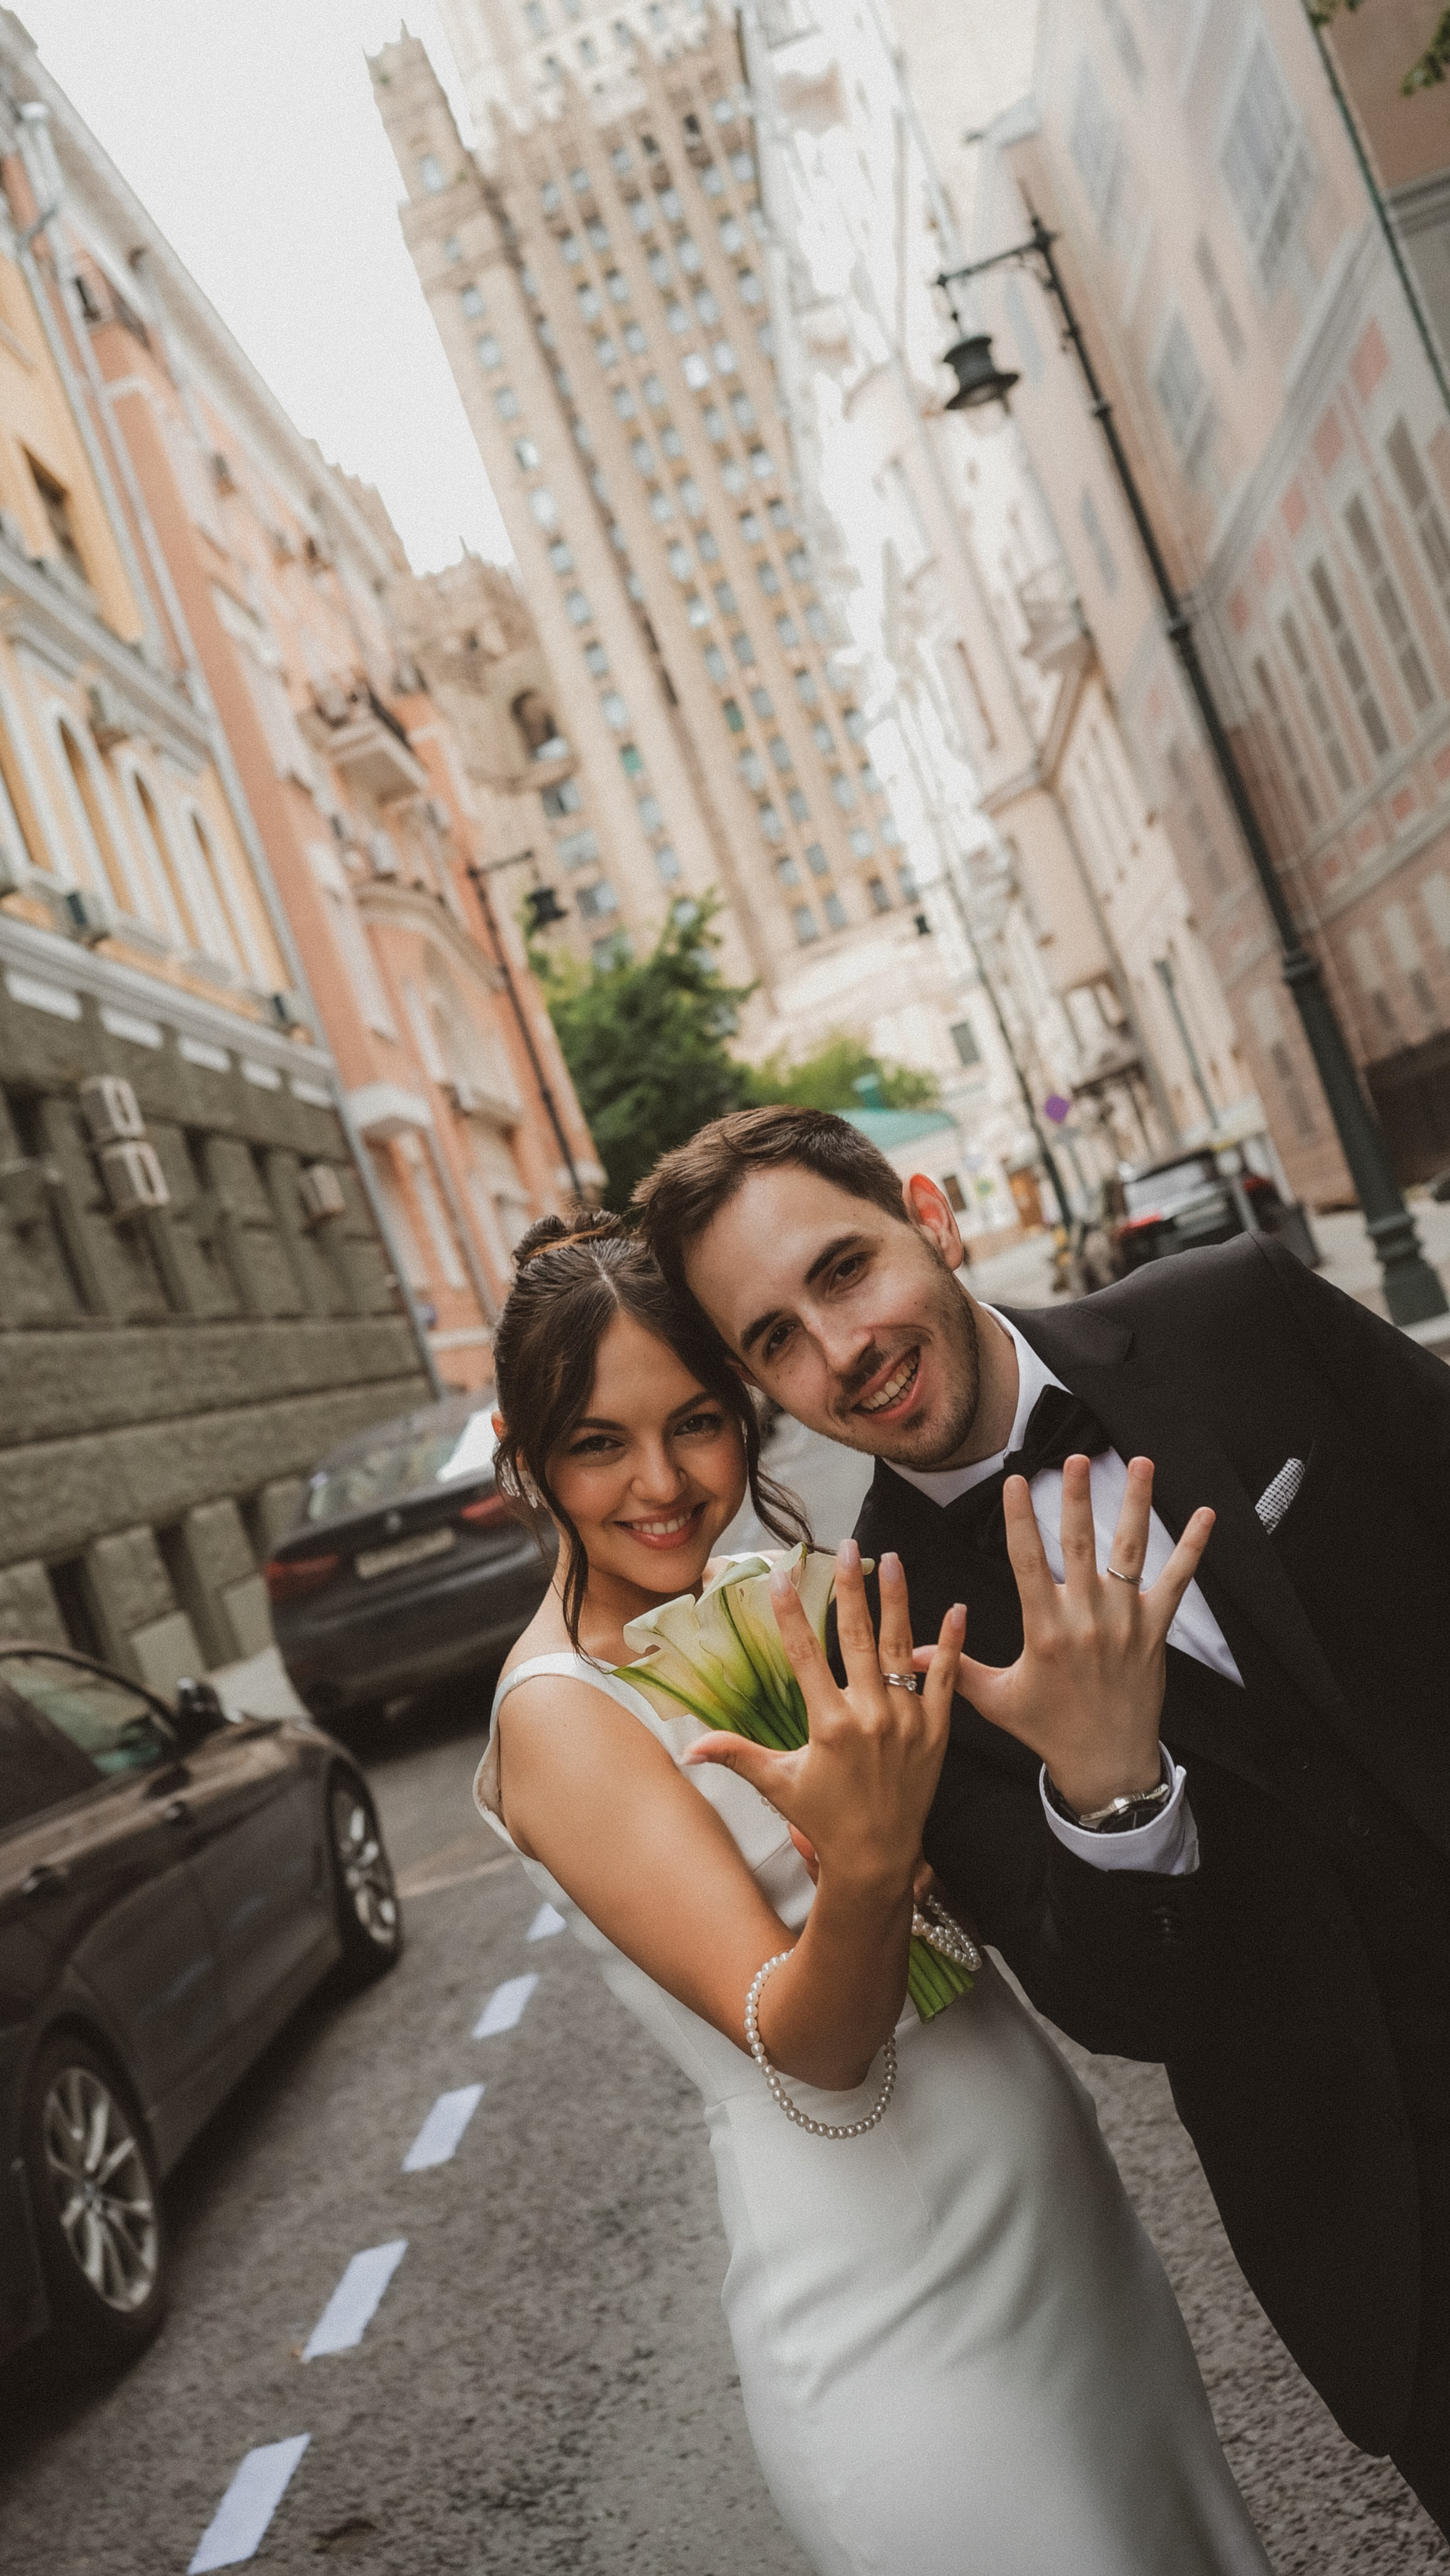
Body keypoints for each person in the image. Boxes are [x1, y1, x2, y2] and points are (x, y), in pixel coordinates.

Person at [633, 1103, 1450, 2541]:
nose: (842, 1349)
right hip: (1394, 2219)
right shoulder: (884, 1647)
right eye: (775, 1338)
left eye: (844, 1269)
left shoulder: (1236, 1310)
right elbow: (1119, 2005)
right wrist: (1108, 1790)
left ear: (930, 1216)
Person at [476, 1209, 1270, 2576]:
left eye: (696, 1423)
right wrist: (868, 1850)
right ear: (523, 1458)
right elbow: (812, 2043)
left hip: (1058, 2219)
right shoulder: (560, 1713)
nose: (659, 1482)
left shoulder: (784, 1594)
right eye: (597, 1442)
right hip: (894, 2300)